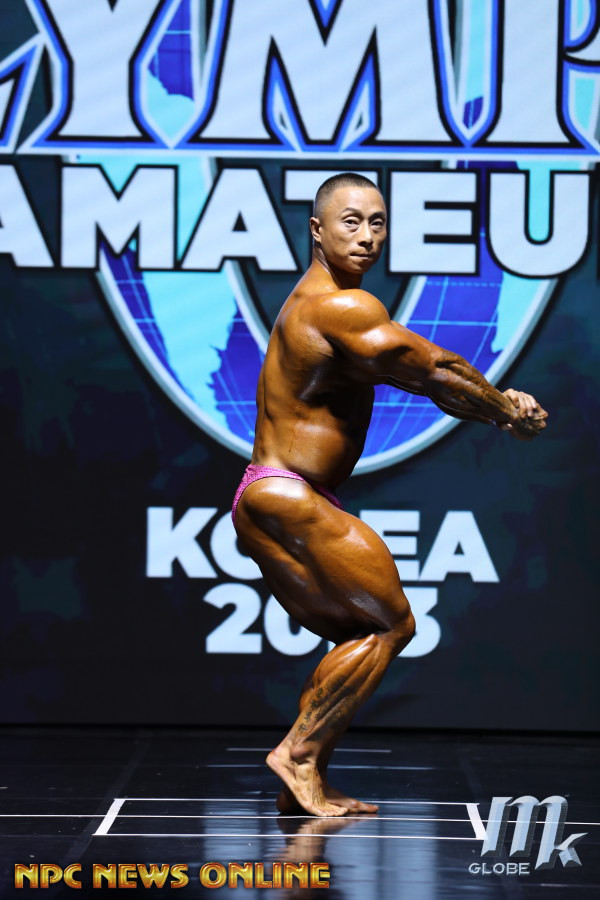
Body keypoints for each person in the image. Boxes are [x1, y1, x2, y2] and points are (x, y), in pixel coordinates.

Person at [231, 173, 548, 817]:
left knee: (360, 632)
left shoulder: (323, 307)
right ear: (316, 230)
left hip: (271, 493)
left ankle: (306, 772)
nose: (367, 236)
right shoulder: (339, 307)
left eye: (377, 222)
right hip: (288, 493)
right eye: (351, 221)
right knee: (392, 622)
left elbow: (420, 380)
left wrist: (492, 404)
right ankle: (297, 754)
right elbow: (434, 369)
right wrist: (506, 412)